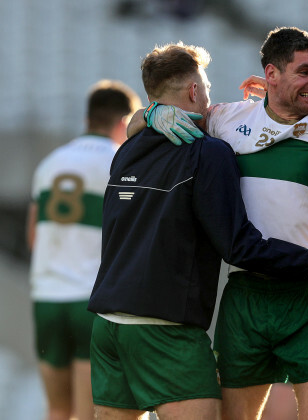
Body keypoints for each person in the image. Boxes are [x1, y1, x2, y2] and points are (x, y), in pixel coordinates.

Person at [125, 29, 308, 420]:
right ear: (271, 73)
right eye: (304, 71)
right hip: (247, 296)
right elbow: (137, 126)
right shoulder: (224, 119)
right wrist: (151, 113)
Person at [26, 79, 141, 420]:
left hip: (46, 300)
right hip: (90, 303)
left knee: (58, 410)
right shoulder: (118, 162)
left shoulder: (49, 163)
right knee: (89, 412)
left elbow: (34, 237)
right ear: (123, 122)